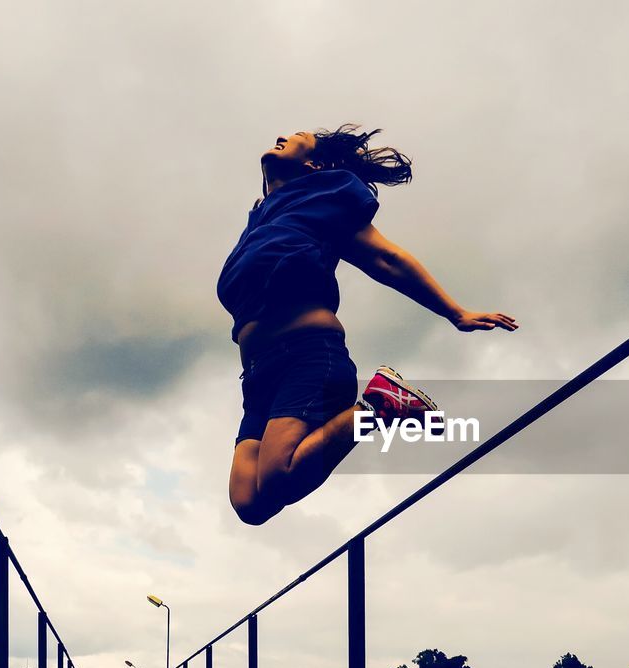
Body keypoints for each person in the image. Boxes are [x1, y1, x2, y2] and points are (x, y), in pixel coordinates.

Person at [217, 124, 517, 526]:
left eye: (298, 135)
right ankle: (375, 407)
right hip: (256, 379)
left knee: (276, 479)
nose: (282, 135)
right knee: (250, 504)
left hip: (306, 358)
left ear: (314, 163)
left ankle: (378, 404)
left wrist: (454, 312)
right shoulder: (259, 221)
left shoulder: (323, 198)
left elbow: (385, 258)